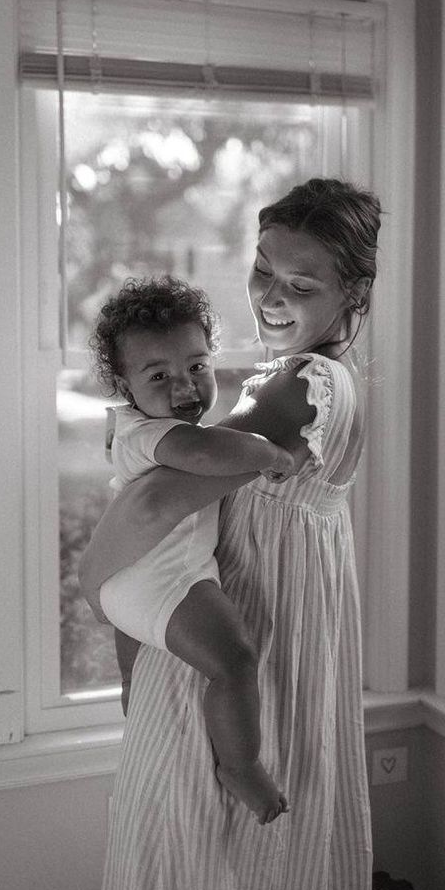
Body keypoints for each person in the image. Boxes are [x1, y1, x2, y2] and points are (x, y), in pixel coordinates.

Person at [80, 177, 382, 890]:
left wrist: (92, 584)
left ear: (354, 292)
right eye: (262, 269)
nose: (272, 297)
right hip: (214, 652)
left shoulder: (307, 386)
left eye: (302, 283)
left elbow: (151, 509)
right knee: (208, 887)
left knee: (195, 886)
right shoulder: (276, 387)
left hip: (227, 671)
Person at [91, 275, 293, 824]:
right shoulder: (150, 434)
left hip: (125, 579)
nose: (184, 387)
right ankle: (241, 766)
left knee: (138, 682)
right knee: (234, 661)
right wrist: (267, 451)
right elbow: (202, 454)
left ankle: (144, 740)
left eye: (197, 367)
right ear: (124, 385)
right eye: (158, 375)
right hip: (162, 579)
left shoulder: (132, 425)